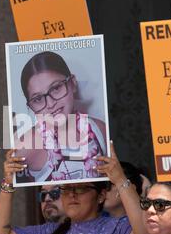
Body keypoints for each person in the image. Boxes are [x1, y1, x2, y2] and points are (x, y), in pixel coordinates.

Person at [0, 145, 147, 234]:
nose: (71, 194)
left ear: (101, 196)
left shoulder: (117, 228)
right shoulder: (47, 232)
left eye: (80, 188)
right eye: (64, 189)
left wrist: (119, 179)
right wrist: (8, 183)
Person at [14, 51, 107, 183]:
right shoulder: (26, 146)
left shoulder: (100, 129)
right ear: (31, 107)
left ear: (73, 83)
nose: (51, 104)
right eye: (38, 98)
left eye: (56, 88)